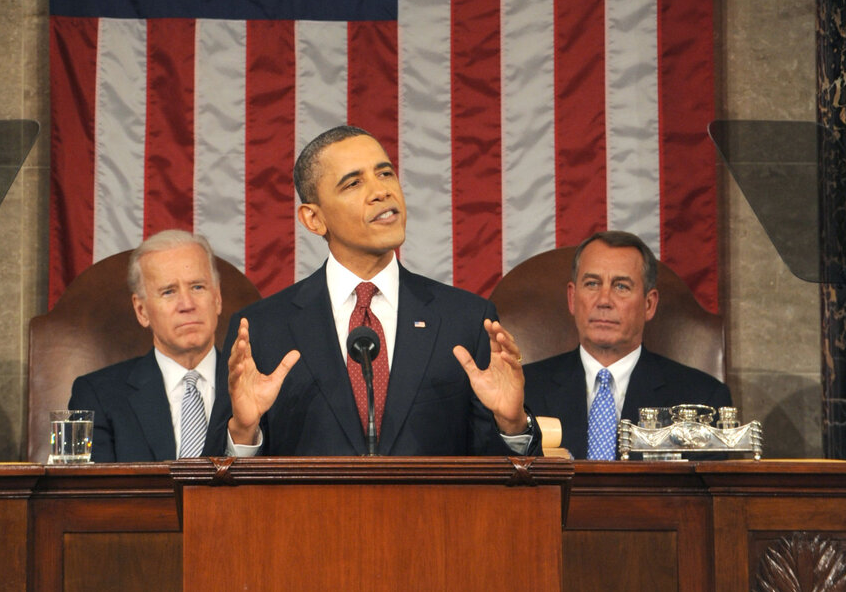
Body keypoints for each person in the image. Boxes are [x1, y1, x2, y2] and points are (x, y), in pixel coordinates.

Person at [206, 125, 542, 456]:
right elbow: (214, 491)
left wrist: (511, 424)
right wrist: (245, 433)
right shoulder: (263, 330)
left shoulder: (466, 321)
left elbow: (505, 488)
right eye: (354, 183)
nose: (381, 191)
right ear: (313, 219)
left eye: (385, 174)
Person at [522, 230, 732, 460]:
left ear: (649, 304)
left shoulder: (703, 398)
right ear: (572, 299)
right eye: (592, 284)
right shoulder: (524, 391)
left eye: (621, 286)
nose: (603, 300)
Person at [68, 230, 226, 461]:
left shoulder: (254, 386)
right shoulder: (97, 396)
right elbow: (90, 493)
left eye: (197, 287)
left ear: (217, 298)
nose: (187, 304)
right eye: (169, 292)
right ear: (141, 311)